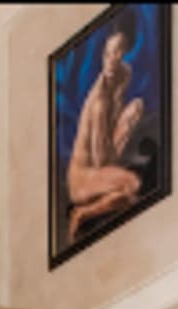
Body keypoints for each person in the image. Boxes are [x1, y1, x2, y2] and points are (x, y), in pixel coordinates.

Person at [63, 24, 152, 240]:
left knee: (137, 106)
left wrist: (121, 135)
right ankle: (82, 213)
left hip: (106, 151)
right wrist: (116, 171)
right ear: (103, 55)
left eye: (117, 52)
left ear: (124, 53)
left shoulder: (124, 73)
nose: (111, 59)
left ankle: (112, 188)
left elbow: (118, 119)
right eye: (107, 54)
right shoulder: (99, 102)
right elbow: (101, 159)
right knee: (132, 185)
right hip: (83, 176)